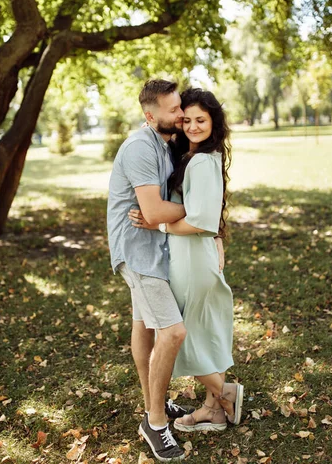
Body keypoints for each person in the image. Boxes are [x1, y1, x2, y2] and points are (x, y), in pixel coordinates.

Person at [129, 87, 243, 433]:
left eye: (201, 120)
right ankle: (214, 410)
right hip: (191, 256)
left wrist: (158, 221)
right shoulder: (189, 157)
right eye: (187, 119)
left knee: (180, 339)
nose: (192, 125)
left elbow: (200, 220)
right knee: (200, 333)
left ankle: (225, 394)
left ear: (214, 123)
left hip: (191, 261)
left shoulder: (203, 163)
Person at [107, 79, 191, 462]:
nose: (181, 114)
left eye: (179, 106)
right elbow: (155, 212)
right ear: (150, 114)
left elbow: (159, 209)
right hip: (137, 252)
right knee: (172, 332)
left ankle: (153, 402)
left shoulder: (166, 142)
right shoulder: (141, 147)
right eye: (173, 109)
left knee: (143, 325)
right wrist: (200, 211)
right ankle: (155, 423)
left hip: (153, 247)